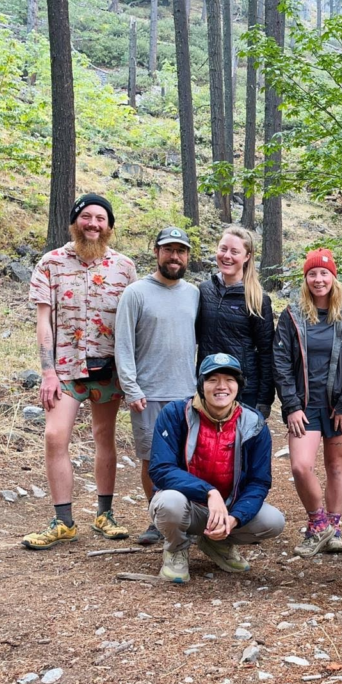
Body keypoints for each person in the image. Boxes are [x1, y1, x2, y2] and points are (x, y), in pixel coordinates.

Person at [23, 193, 137, 550]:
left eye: (100, 219)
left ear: (110, 226)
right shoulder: (51, 263)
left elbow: (133, 324)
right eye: (86, 217)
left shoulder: (125, 267)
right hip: (66, 370)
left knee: (105, 437)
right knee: (56, 437)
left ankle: (105, 514)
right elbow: (44, 323)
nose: (93, 224)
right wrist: (47, 372)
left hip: (108, 370)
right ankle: (63, 521)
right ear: (75, 222)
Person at [148, 354, 285, 581]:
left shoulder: (253, 423)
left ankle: (219, 542)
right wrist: (208, 492)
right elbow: (161, 469)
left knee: (273, 521)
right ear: (201, 385)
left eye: (229, 379)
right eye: (212, 380)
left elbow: (258, 481)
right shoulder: (175, 414)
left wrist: (235, 518)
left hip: (229, 507)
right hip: (188, 505)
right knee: (168, 502)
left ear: (238, 386)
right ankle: (176, 549)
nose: (221, 386)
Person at [274, 249, 342, 557]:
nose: (318, 279)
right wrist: (291, 405)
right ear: (305, 279)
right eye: (312, 274)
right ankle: (318, 524)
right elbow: (281, 362)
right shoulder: (292, 315)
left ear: (333, 277)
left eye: (324, 273)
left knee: (336, 465)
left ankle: (336, 528)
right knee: (301, 466)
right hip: (303, 405)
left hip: (338, 405)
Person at [116, 227, 200, 547]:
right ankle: (156, 520)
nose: (175, 257)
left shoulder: (193, 294)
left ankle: (184, 519)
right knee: (152, 460)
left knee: (185, 459)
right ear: (156, 252)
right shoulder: (135, 293)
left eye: (181, 251)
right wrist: (131, 387)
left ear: (188, 256)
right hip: (148, 394)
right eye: (169, 250)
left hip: (186, 394)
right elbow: (123, 344)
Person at [195, 226, 275, 416]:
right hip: (208, 385)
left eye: (235, 251)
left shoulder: (257, 299)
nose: (227, 256)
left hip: (243, 389)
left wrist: (264, 399)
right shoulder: (203, 291)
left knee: (240, 445)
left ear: (247, 256)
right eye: (223, 249)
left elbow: (266, 352)